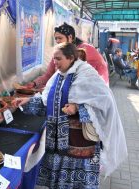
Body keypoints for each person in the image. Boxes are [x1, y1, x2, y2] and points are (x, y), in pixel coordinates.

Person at [13, 43, 127, 188]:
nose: (55, 62)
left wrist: (78, 108)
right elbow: (48, 102)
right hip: (59, 145)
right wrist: (27, 101)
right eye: (54, 59)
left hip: (81, 146)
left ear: (71, 57)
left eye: (58, 59)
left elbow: (105, 104)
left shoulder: (87, 74)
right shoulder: (58, 76)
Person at [25, 22, 109, 91]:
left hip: (92, 91)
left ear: (70, 37)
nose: (57, 41)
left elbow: (78, 81)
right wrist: (34, 83)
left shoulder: (85, 50)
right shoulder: (60, 51)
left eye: (60, 38)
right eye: (56, 39)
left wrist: (49, 89)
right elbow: (49, 74)